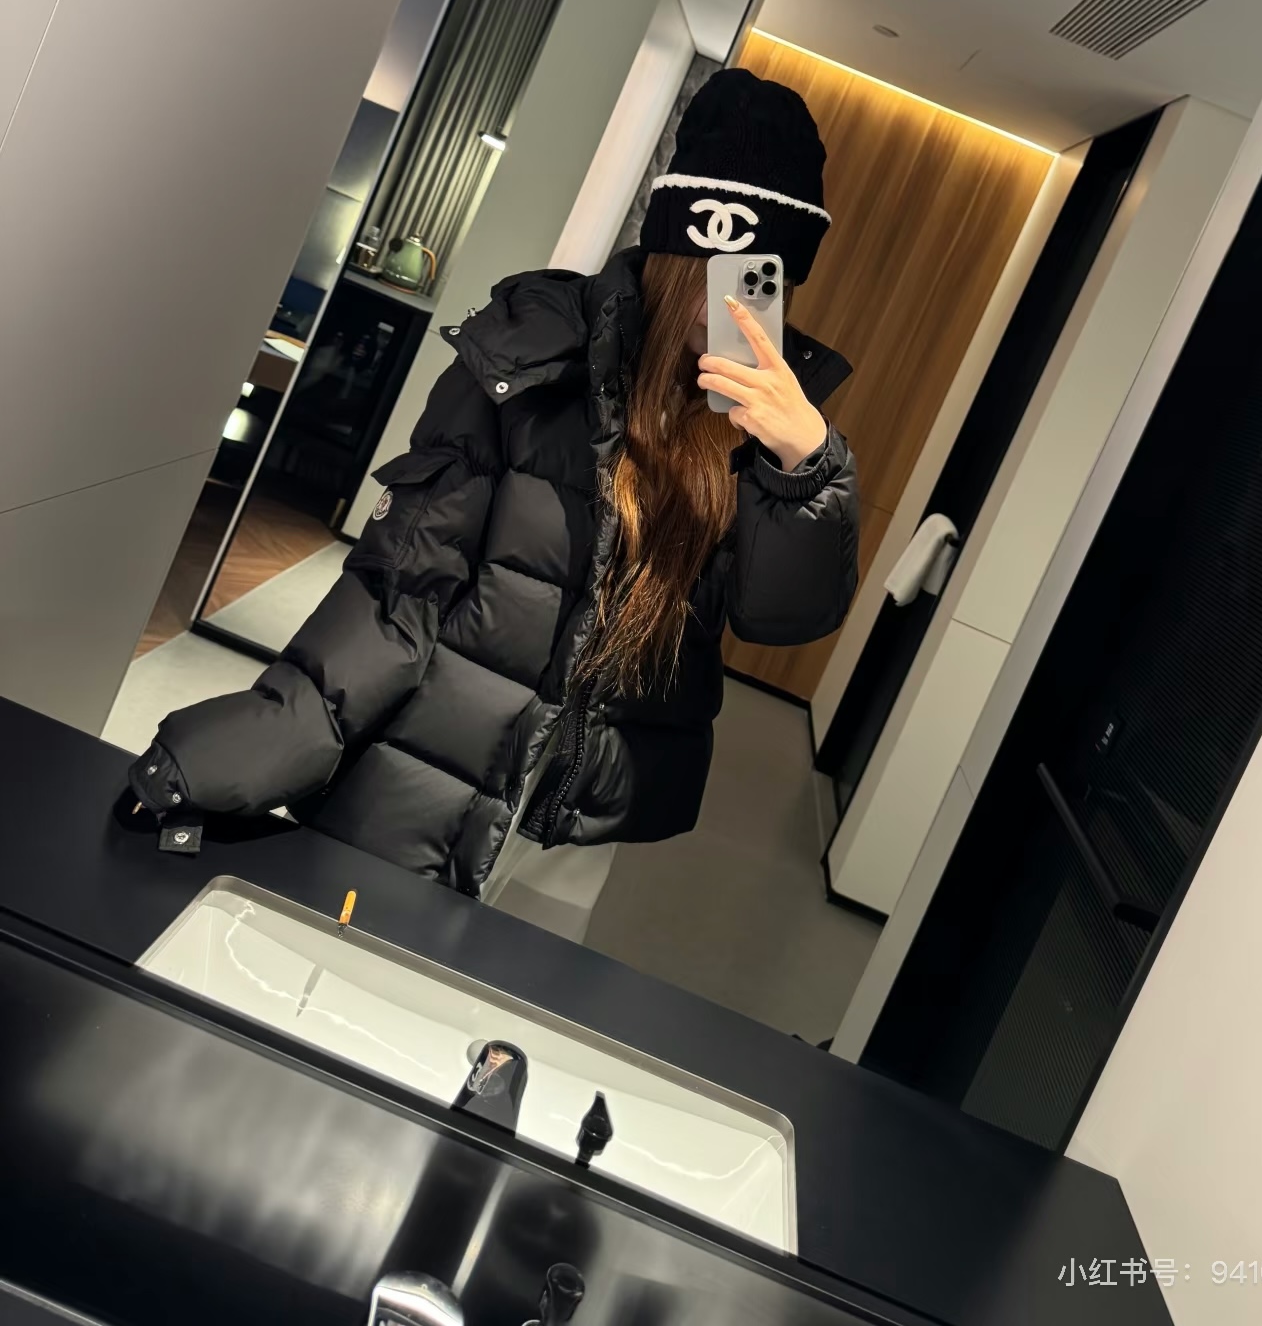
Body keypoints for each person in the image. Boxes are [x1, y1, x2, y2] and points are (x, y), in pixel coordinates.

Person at [129, 69, 859, 939]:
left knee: (478, 1012)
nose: (731, 300)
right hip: (427, 773)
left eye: (761, 276)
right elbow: (400, 592)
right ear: (675, 250)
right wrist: (245, 749)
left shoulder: (766, 429)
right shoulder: (534, 356)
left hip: (575, 827)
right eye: (711, 267)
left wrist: (805, 465)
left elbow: (781, 618)